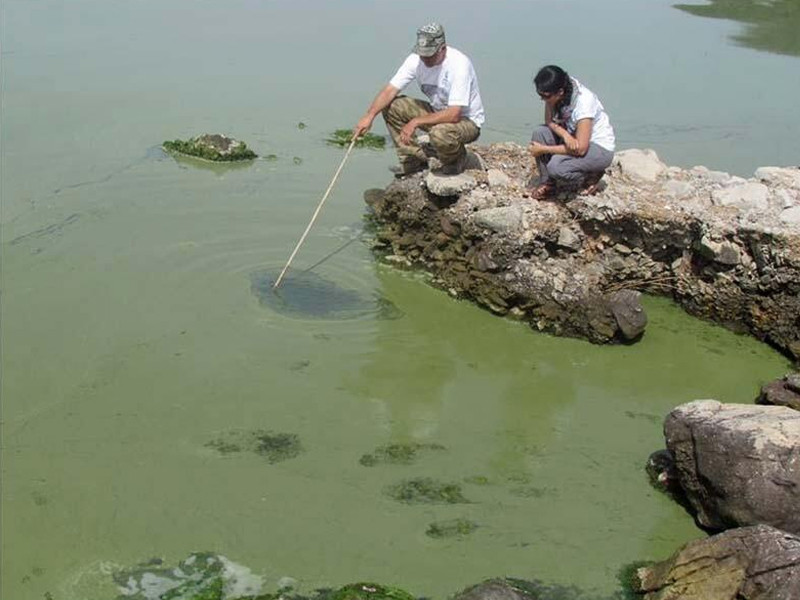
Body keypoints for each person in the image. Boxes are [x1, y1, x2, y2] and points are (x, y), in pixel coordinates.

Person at [353, 23, 485, 176]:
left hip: (466, 122)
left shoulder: (459, 65)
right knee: (393, 106)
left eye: (430, 54)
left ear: (442, 48)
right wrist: (369, 116)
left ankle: (456, 160)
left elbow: (454, 114)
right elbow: (390, 90)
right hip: (438, 112)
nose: (425, 59)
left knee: (439, 134)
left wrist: (415, 122)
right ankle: (413, 160)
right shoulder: (415, 60)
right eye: (422, 54)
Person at [528, 65, 615, 199]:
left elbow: (580, 149)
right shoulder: (555, 91)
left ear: (560, 92)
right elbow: (549, 121)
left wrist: (543, 149)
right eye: (540, 95)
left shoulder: (583, 103)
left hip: (598, 148)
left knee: (556, 166)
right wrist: (566, 135)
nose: (542, 99)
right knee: (540, 132)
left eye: (545, 96)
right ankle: (548, 183)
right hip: (574, 138)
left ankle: (590, 177)